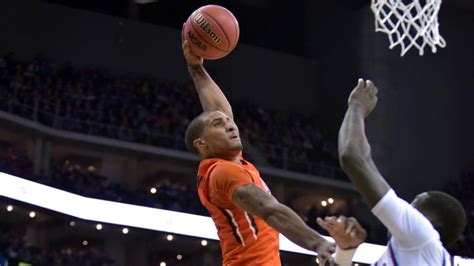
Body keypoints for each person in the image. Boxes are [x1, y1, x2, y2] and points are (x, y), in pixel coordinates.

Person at [182, 39, 339, 265]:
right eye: (219, 124)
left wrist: (196, 68)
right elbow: (270, 210)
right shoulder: (223, 172)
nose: (229, 125)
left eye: (229, 121)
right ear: (201, 144)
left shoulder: (227, 164)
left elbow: (219, 110)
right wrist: (317, 243)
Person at [338, 78, 467, 265]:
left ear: (425, 221)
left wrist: (356, 107)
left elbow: (352, 157)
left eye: (413, 206)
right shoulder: (413, 252)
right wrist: (345, 251)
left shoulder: (420, 235)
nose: (406, 207)